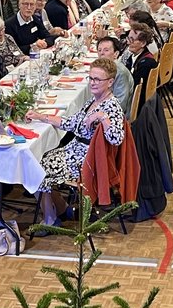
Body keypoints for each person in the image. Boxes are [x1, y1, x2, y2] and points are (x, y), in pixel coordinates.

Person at [27, 57, 125, 227]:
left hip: (86, 160)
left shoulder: (111, 106)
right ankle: (61, 209)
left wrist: (103, 117)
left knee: (34, 168)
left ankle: (50, 219)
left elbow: (116, 138)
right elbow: (71, 123)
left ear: (110, 82)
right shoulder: (94, 100)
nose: (92, 83)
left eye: (97, 79)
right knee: (36, 159)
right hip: (75, 150)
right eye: (91, 78)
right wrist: (40, 116)